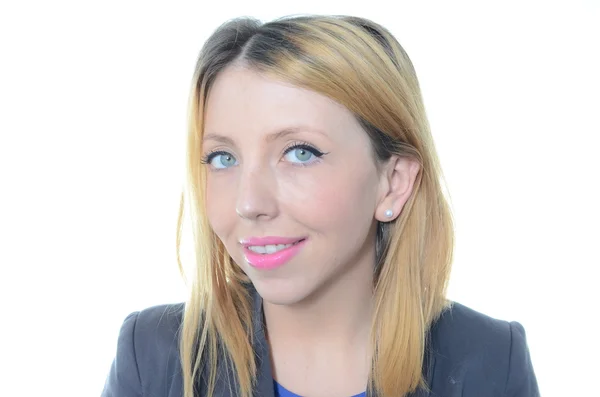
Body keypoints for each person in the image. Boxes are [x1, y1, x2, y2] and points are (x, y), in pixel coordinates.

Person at [102, 14, 539, 397]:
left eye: (300, 152)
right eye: (223, 158)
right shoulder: (154, 358)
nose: (248, 203)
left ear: (393, 182)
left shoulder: (490, 361)